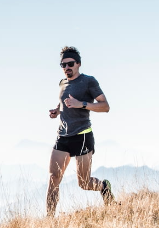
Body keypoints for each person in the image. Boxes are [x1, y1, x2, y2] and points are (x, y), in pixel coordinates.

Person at [46, 46, 114, 216]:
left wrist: (81, 104)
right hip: (63, 136)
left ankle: (104, 186)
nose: (66, 68)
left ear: (78, 64)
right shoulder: (62, 83)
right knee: (54, 177)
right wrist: (57, 111)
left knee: (84, 182)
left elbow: (105, 106)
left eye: (70, 64)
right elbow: (64, 102)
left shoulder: (88, 81)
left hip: (82, 135)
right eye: (63, 65)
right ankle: (49, 220)